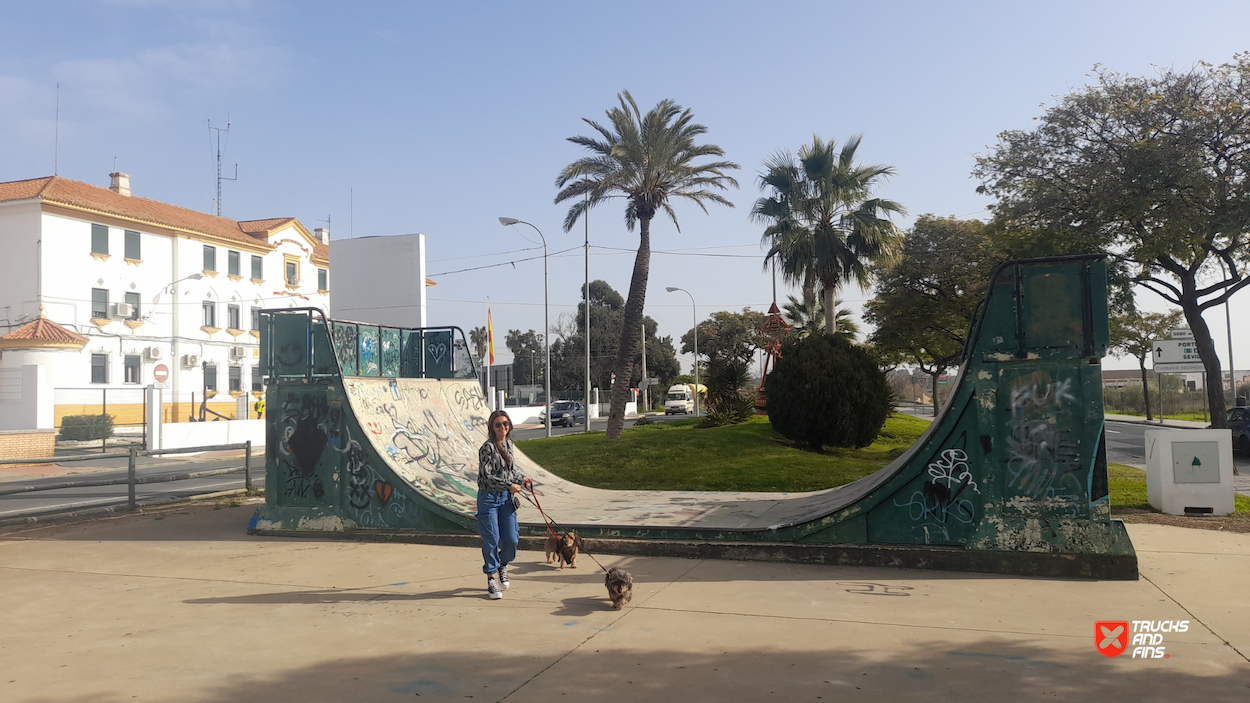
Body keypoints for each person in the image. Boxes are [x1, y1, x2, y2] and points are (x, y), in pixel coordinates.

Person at [477, 409, 531, 600]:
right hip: (489, 498)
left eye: (505, 424)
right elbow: (487, 476)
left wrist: (522, 479)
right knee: (491, 538)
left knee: (511, 539)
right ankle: (491, 579)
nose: (503, 428)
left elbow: (510, 469)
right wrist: (509, 486)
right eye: (498, 425)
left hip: (506, 500)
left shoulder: (508, 444)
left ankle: (503, 564)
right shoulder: (487, 448)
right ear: (492, 428)